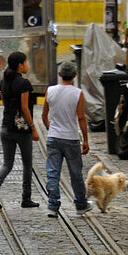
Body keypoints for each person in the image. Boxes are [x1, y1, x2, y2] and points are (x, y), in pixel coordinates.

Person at [0, 51, 40, 210]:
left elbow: (5, 104)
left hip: (6, 126)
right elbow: (24, 108)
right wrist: (33, 128)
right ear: (20, 65)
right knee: (27, 163)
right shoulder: (23, 84)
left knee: (7, 164)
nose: (27, 65)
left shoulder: (5, 81)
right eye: (25, 63)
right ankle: (26, 197)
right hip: (22, 130)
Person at [42, 59, 90, 218]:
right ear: (75, 75)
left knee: (53, 172)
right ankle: (81, 205)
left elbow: (44, 116)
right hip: (71, 138)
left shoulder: (50, 91)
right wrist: (86, 140)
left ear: (59, 74)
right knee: (76, 173)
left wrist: (51, 128)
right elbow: (81, 118)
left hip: (54, 137)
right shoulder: (78, 93)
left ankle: (53, 206)